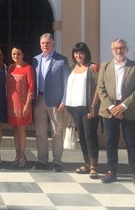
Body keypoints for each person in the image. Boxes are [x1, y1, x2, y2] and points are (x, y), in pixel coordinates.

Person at [97, 38, 135, 186]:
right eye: (116, 48)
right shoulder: (105, 66)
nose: (119, 50)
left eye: (122, 48)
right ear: (112, 50)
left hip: (128, 109)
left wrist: (123, 106)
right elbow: (101, 88)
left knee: (131, 141)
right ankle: (111, 170)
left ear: (127, 49)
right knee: (111, 141)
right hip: (109, 109)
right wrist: (112, 107)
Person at [32, 33, 70, 171]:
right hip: (39, 99)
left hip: (56, 102)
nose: (45, 45)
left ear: (53, 44)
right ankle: (42, 160)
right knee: (40, 132)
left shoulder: (61, 60)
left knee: (57, 132)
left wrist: (64, 100)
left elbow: (67, 82)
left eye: (48, 43)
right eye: (43, 43)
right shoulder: (35, 60)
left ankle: (57, 161)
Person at [65, 42, 100, 179]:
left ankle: (94, 166)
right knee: (82, 137)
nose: (78, 55)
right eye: (76, 53)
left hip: (88, 108)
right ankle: (86, 163)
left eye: (81, 53)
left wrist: (93, 106)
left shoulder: (93, 67)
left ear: (86, 54)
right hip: (75, 107)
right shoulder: (73, 68)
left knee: (90, 136)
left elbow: (98, 86)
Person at [7, 46, 35, 168]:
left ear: (23, 54)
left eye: (18, 54)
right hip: (12, 104)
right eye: (13, 54)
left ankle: (22, 156)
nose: (16, 56)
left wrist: (28, 104)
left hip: (23, 104)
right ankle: (17, 155)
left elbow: (31, 88)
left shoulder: (28, 68)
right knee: (15, 130)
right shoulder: (10, 68)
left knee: (21, 130)